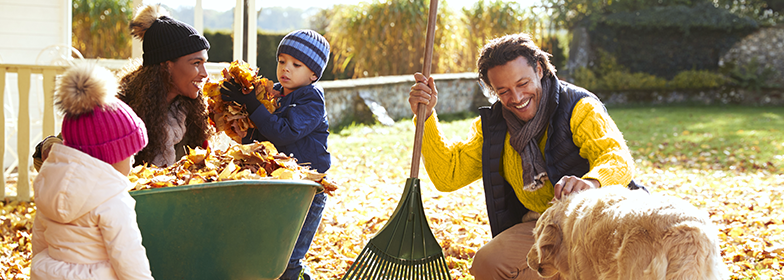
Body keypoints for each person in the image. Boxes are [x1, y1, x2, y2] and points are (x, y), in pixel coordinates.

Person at [408, 33, 644, 280]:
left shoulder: (578, 106)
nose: (517, 98)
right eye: (504, 91)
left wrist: (592, 182)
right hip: (544, 227)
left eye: (523, 84)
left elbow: (616, 157)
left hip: (599, 222)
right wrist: (426, 117)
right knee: (487, 264)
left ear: (539, 69)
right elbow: (448, 175)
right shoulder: (495, 127)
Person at [32, 4, 212, 169]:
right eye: (196, 63)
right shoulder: (117, 108)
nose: (205, 73)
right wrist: (51, 146)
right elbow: (51, 151)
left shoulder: (194, 111)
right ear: (166, 65)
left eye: (204, 63)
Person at [220, 29, 331, 280]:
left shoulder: (311, 100)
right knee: (269, 252)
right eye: (282, 61)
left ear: (313, 74)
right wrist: (243, 129)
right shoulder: (272, 93)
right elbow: (263, 140)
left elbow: (284, 133)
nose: (286, 69)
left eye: (296, 64)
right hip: (276, 186)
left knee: (289, 258)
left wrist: (253, 105)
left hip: (306, 190)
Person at [31, 64, 153, 280]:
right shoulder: (112, 199)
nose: (133, 162)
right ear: (110, 157)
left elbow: (40, 238)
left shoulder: (48, 183)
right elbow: (127, 256)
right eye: (129, 155)